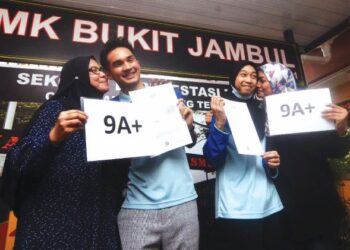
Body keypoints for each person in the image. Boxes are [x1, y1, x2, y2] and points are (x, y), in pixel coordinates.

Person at [0, 56, 129, 249]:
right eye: (94, 70)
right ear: (77, 77)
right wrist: (52, 138)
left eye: (102, 70)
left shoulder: (108, 116)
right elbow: (18, 161)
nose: (103, 74)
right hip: (53, 222)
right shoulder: (55, 109)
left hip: (97, 220)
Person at [100, 37, 199, 250]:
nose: (127, 67)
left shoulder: (170, 96)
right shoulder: (110, 111)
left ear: (138, 62)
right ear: (108, 74)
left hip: (183, 202)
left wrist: (188, 126)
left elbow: (190, 141)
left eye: (130, 59)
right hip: (136, 208)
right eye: (118, 63)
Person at [258, 62, 350, 250]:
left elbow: (336, 151)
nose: (257, 85)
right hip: (282, 210)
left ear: (278, 81)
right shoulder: (260, 115)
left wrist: (341, 127)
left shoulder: (310, 111)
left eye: (262, 80)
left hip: (317, 207)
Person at [202, 61, 283, 250]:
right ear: (233, 78)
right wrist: (219, 123)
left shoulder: (265, 109)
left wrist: (273, 165)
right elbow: (213, 159)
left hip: (269, 201)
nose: (249, 80)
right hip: (236, 205)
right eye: (243, 74)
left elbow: (270, 154)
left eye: (254, 76)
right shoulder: (221, 109)